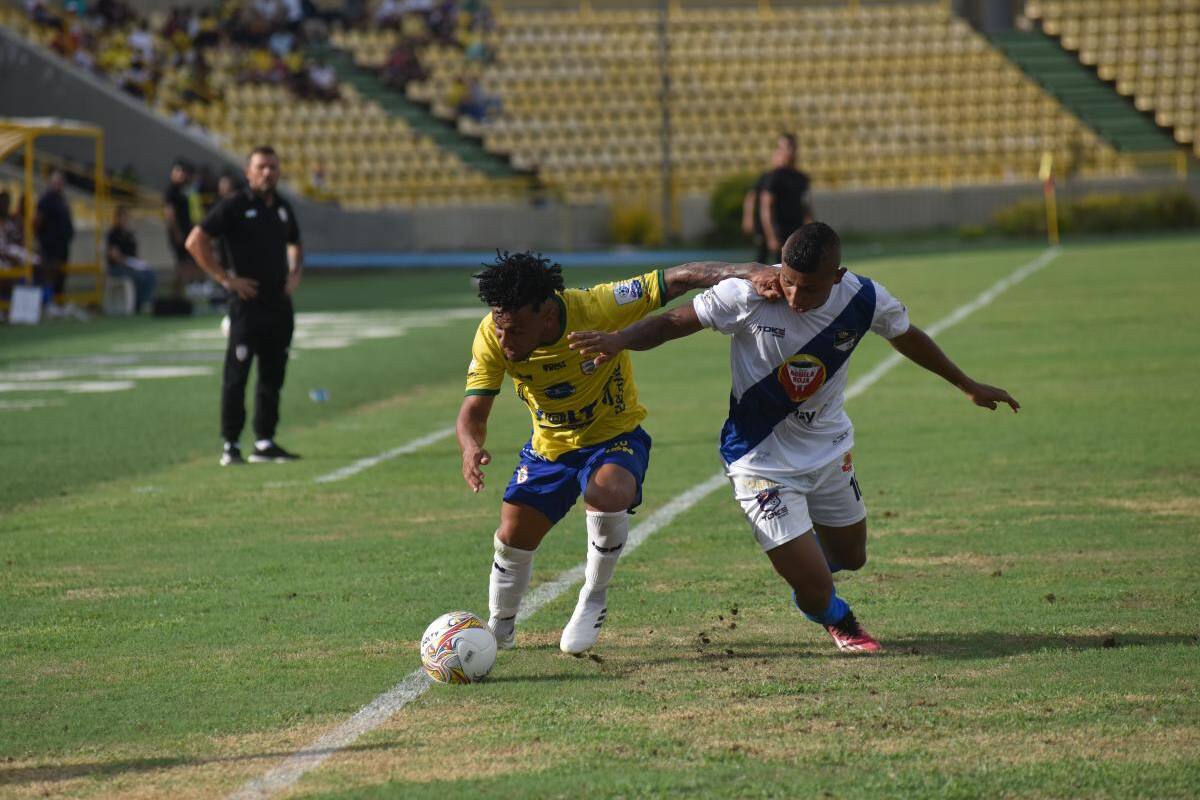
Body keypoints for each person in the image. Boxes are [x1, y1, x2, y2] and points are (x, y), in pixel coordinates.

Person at [568, 222, 1020, 654]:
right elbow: (672, 323)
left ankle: (803, 568)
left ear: (837, 276)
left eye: (810, 287)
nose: (795, 296)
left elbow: (908, 337)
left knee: (853, 556)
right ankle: (838, 618)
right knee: (818, 588)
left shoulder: (863, 297)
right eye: (788, 282)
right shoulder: (747, 294)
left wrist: (967, 385)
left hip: (829, 451)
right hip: (757, 461)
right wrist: (619, 340)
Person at [458, 252, 779, 655]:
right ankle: (500, 627)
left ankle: (593, 597)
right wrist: (471, 447)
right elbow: (473, 410)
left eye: (516, 331)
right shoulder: (493, 333)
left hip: (615, 437)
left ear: (546, 314)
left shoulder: (597, 306)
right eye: (501, 330)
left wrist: (752, 271)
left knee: (607, 492)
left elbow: (680, 277)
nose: (506, 342)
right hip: (550, 448)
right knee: (512, 536)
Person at [185, 145, 303, 466]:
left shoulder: (282, 207)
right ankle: (231, 445)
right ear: (249, 172)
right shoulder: (235, 206)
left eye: (273, 167)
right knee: (237, 377)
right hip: (246, 307)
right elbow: (195, 241)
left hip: (278, 306)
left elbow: (295, 242)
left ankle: (265, 442)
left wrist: (295, 272)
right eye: (261, 167)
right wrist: (225, 279)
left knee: (272, 377)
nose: (268, 172)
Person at [757, 133, 813, 265]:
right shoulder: (773, 177)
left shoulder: (801, 177)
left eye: (792, 147)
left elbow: (806, 206)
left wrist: (811, 230)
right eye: (785, 147)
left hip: (797, 230)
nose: (790, 151)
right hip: (780, 231)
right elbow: (766, 208)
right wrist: (770, 236)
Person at [105, 205, 157, 312]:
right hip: (118, 267)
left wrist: (138, 264)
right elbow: (114, 255)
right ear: (117, 218)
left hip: (132, 265)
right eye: (122, 217)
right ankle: (136, 304)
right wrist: (126, 263)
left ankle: (144, 302)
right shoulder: (113, 233)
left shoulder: (129, 234)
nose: (124, 220)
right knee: (137, 276)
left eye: (126, 217)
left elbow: (134, 255)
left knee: (150, 274)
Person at [34, 170, 73, 308]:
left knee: (60, 275)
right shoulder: (46, 199)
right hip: (50, 246)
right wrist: (40, 239)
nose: (59, 184)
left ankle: (57, 302)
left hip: (62, 246)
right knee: (49, 274)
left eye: (61, 182)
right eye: (56, 181)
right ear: (51, 182)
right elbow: (38, 221)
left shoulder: (62, 199)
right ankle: (48, 302)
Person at [164, 160, 202, 293]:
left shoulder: (185, 189)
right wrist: (177, 232)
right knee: (182, 264)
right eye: (178, 171)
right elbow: (170, 213)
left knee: (189, 262)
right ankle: (177, 293)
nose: (181, 175)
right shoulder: (171, 190)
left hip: (186, 231)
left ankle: (184, 292)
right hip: (178, 233)